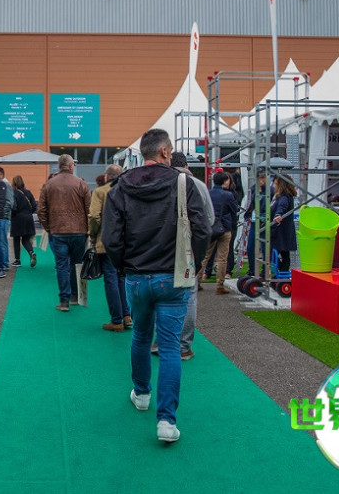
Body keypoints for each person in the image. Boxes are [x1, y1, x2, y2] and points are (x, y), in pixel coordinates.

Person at [102, 129, 210, 443]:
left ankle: (141, 393)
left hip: (137, 275)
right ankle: (166, 421)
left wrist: (124, 265)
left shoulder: (121, 185)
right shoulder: (184, 183)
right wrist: (193, 265)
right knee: (170, 346)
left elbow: (111, 236)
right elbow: (202, 228)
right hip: (173, 276)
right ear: (164, 152)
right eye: (171, 149)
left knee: (140, 336)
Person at [150, 152, 214, 360]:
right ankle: (183, 345)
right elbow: (209, 219)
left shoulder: (159, 183)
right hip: (189, 249)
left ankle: (160, 340)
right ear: (187, 165)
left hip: (162, 248)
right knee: (189, 296)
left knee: (160, 294)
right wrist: (199, 253)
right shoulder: (199, 185)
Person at [38, 155, 91, 312]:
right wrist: (88, 229)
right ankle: (76, 296)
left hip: (58, 231)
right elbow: (89, 209)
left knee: (62, 265)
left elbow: (41, 210)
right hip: (79, 231)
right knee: (77, 264)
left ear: (59, 166)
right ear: (71, 166)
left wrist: (49, 227)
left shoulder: (49, 185)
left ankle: (64, 301)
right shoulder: (81, 183)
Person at [89, 164, 130, 331]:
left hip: (107, 241)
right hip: (126, 242)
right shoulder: (128, 191)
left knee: (111, 279)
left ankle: (116, 319)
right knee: (122, 278)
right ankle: (127, 315)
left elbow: (94, 216)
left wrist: (93, 235)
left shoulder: (100, 192)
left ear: (106, 177)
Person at [197, 172, 237, 295]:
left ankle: (197, 282)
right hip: (225, 227)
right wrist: (233, 225)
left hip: (210, 228)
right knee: (222, 258)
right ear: (225, 181)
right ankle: (220, 285)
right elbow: (233, 211)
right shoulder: (228, 195)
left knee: (205, 256)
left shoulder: (208, 193)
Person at [243, 173, 269, 277]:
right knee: (250, 246)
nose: (260, 181)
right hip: (254, 220)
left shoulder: (269, 191)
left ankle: (264, 271)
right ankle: (252, 269)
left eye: (263, 178)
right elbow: (252, 202)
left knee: (264, 247)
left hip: (263, 221)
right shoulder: (255, 189)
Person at [271, 176, 298, 273]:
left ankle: (282, 272)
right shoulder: (283, 197)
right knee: (284, 254)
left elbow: (282, 207)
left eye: (275, 184)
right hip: (284, 231)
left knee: (273, 253)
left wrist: (278, 214)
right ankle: (282, 272)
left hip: (281, 231)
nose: (274, 186)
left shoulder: (284, 197)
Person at [9, 175, 37, 268]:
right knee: (25, 239)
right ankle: (31, 252)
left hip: (17, 219)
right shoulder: (28, 192)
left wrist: (12, 215)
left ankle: (17, 260)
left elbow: (13, 207)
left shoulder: (13, 193)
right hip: (28, 218)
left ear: (14, 183)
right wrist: (28, 212)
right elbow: (34, 206)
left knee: (16, 240)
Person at [0, 166, 13, 272]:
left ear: (1, 175)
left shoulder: (6, 185)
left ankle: (5, 263)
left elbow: (9, 202)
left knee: (2, 240)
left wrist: (1, 214)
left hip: (3, 217)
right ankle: (1, 263)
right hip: (0, 216)